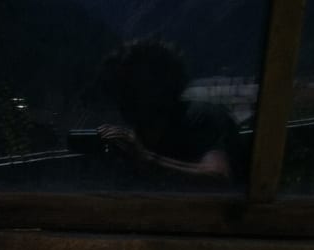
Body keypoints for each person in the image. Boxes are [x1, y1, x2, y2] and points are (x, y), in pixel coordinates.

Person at [95, 38, 246, 186]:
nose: (123, 98)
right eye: (119, 89)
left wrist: (146, 159)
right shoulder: (141, 132)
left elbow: (218, 178)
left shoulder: (203, 117)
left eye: (131, 88)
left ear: (161, 85)